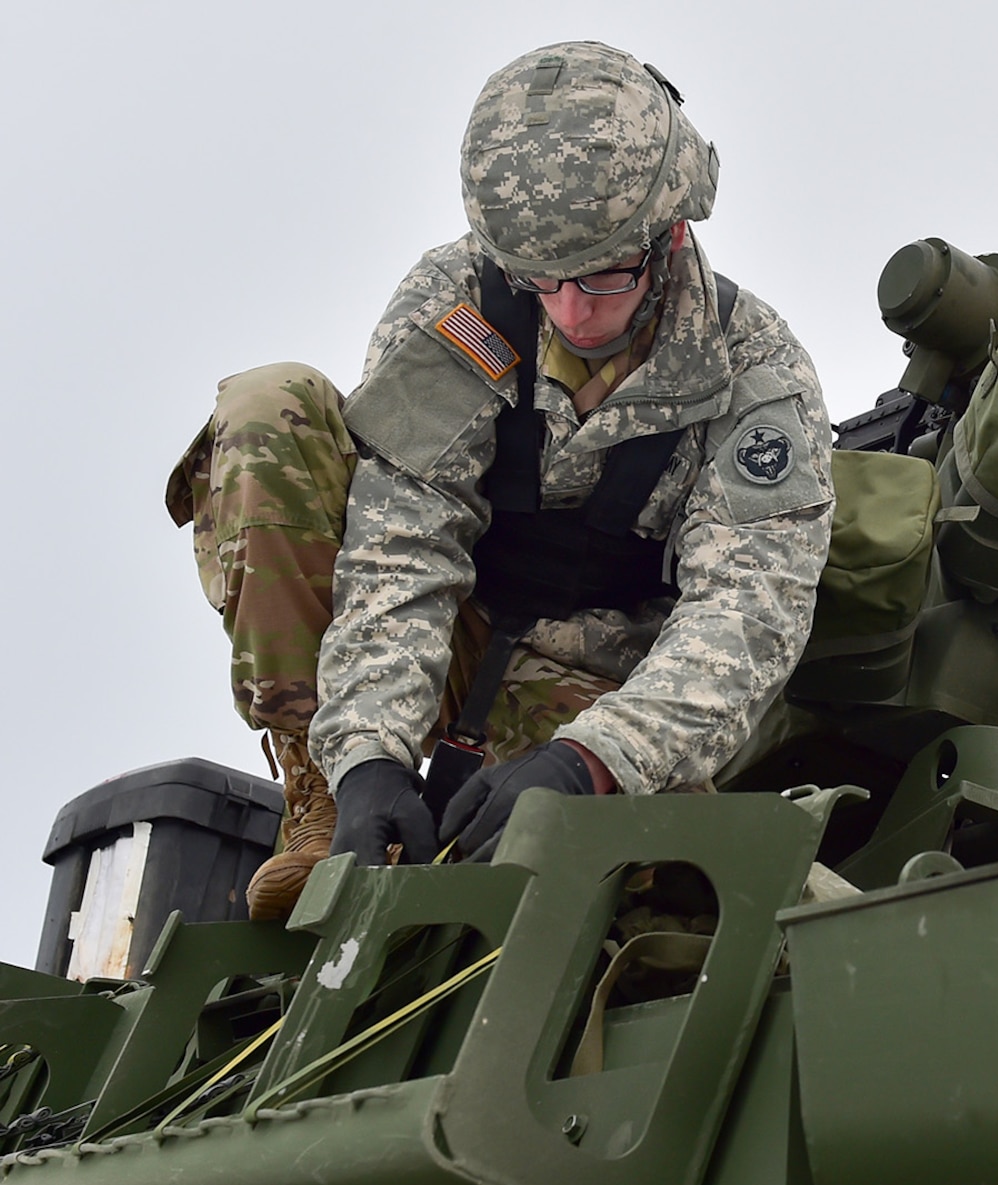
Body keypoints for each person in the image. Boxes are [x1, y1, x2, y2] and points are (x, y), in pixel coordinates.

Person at [167, 41, 833, 918]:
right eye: (541, 280)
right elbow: (402, 538)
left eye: (603, 274)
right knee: (268, 409)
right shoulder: (458, 298)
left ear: (670, 234)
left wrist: (592, 759)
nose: (571, 311)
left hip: (599, 693)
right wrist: (367, 754)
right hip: (445, 634)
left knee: (676, 890)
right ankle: (321, 795)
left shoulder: (757, 372)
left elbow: (745, 618)